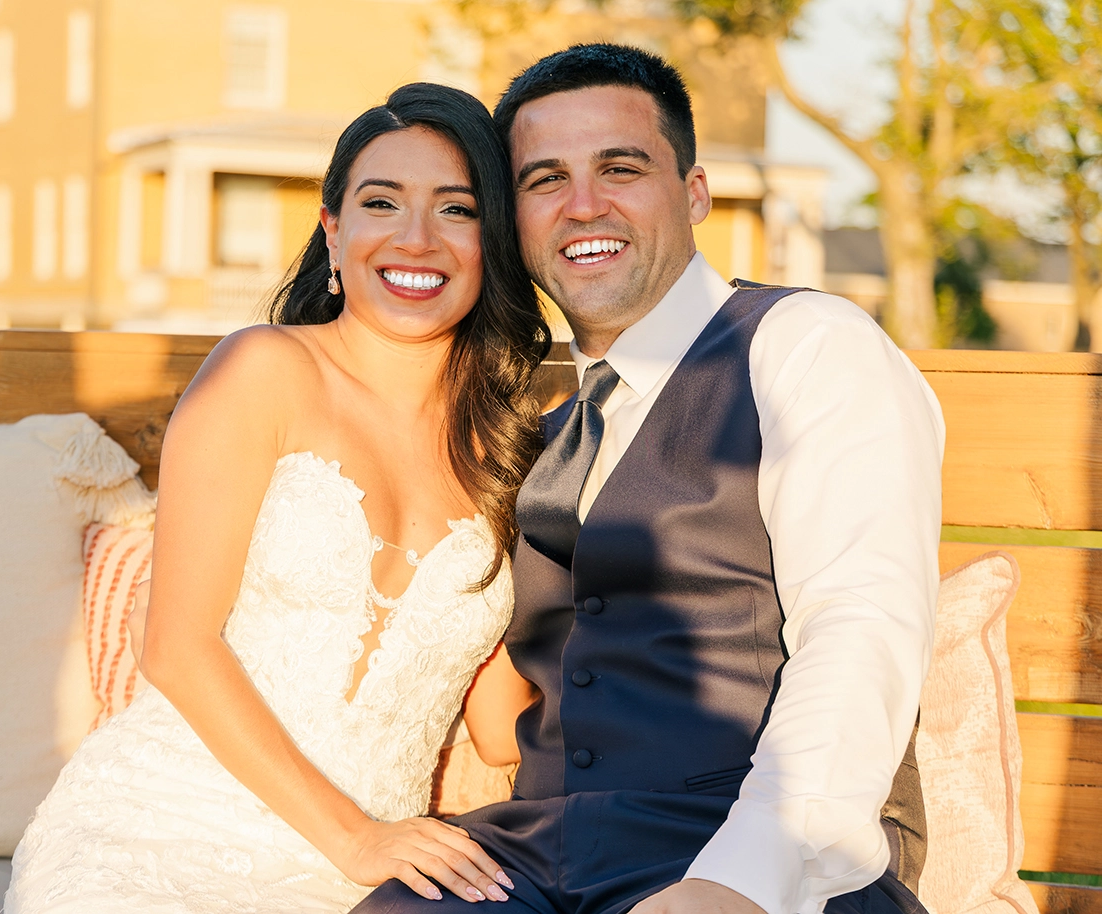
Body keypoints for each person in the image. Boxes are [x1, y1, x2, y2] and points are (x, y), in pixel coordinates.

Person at [352, 44, 943, 914]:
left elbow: (863, 621)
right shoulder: (543, 432)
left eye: (620, 168)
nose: (583, 204)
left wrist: (740, 879)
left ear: (694, 192)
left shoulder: (805, 345)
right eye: (544, 179)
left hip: (750, 846)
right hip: (533, 852)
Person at [3, 82, 553, 913]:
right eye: (381, 203)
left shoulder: (511, 447)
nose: (416, 238)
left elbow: (498, 723)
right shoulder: (263, 371)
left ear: (494, 243)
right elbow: (176, 648)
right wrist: (356, 836)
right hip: (160, 829)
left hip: (380, 871)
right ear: (334, 233)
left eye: (457, 209)